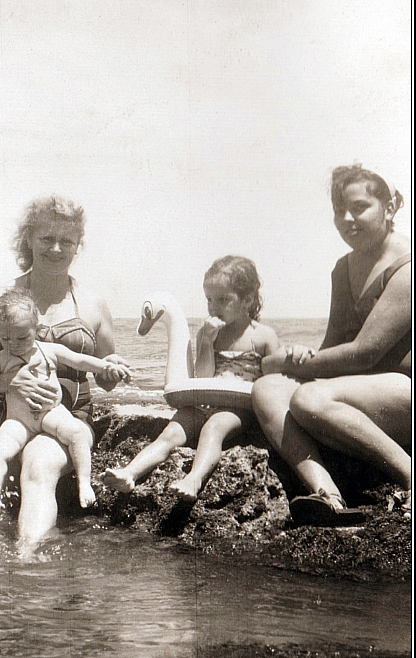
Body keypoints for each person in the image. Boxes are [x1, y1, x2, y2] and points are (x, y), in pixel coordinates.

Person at [252, 165, 411, 525]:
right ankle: (328, 495)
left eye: (359, 207)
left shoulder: (407, 266)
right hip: (363, 395)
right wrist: (300, 357)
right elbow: (333, 348)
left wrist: (282, 362)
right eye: (339, 210)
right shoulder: (344, 268)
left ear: (389, 209)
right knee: (267, 389)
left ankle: (409, 476)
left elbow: (363, 353)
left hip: (404, 392)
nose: (347, 218)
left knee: (309, 398)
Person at [0, 195, 127, 546]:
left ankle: (29, 558)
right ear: (28, 239)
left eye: (66, 240)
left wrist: (112, 371)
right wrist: (14, 380)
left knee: (38, 466)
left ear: (78, 245)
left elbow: (105, 378)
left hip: (66, 420)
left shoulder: (94, 303)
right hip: (3, 419)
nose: (56, 248)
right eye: (46, 238)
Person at [103, 256, 281, 498]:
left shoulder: (264, 336)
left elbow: (275, 382)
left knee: (214, 427)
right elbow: (204, 375)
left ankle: (194, 479)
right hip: (207, 401)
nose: (213, 307)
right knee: (171, 432)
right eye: (209, 299)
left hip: (238, 409)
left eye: (223, 300)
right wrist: (207, 341)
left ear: (247, 300)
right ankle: (130, 473)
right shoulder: (209, 334)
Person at [0, 289, 130, 517]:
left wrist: (106, 367)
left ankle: (84, 483)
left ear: (36, 329)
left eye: (22, 337)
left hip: (52, 414)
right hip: (18, 420)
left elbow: (81, 361)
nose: (14, 345)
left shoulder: (50, 350)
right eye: (5, 338)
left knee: (77, 433)